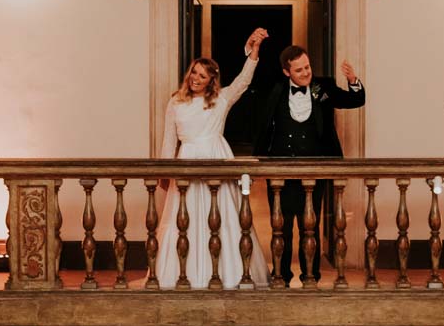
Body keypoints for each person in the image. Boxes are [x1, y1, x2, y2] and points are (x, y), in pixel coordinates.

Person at [154, 30, 270, 289]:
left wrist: (253, 50)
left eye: (202, 76)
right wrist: (164, 170)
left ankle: (227, 274)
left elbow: (243, 81)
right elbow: (168, 140)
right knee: (186, 221)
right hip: (186, 161)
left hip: (216, 159)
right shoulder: (175, 101)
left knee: (222, 218)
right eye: (194, 73)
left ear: (211, 80)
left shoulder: (221, 100)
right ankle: (185, 275)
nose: (196, 79)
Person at [254, 45, 366, 285]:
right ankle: (281, 277)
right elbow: (262, 123)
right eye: (299, 69)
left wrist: (353, 80)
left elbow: (355, 100)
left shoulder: (321, 87)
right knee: (281, 229)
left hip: (316, 172)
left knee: (311, 228)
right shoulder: (276, 89)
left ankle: (310, 277)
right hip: (280, 173)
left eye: (307, 67)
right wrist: (257, 165)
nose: (306, 73)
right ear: (287, 72)